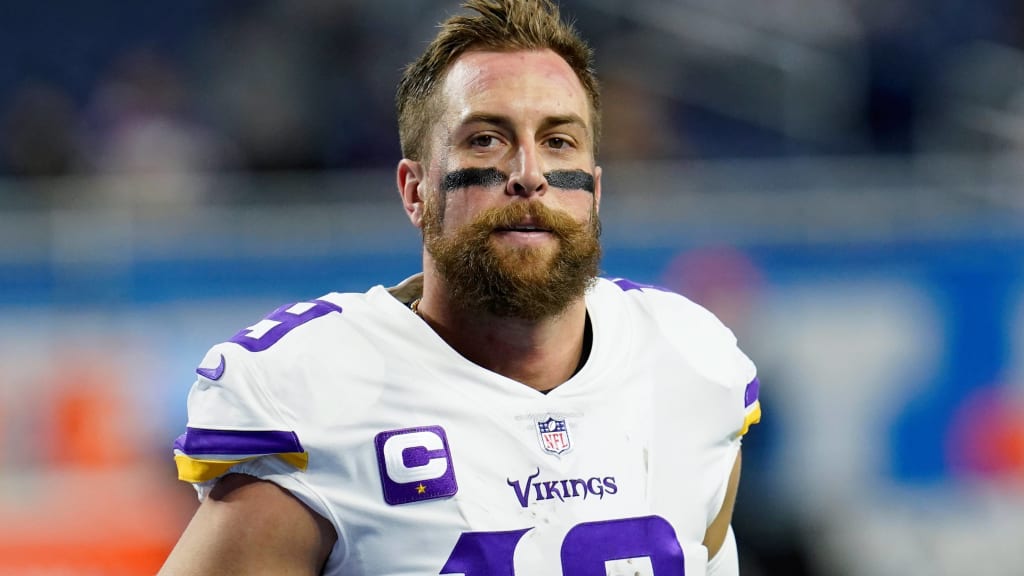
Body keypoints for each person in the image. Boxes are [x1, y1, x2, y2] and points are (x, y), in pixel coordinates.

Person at [159, 0, 761, 574]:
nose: (529, 175)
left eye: (558, 141)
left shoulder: (690, 363)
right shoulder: (313, 393)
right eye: (486, 139)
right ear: (415, 191)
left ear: (595, 192)